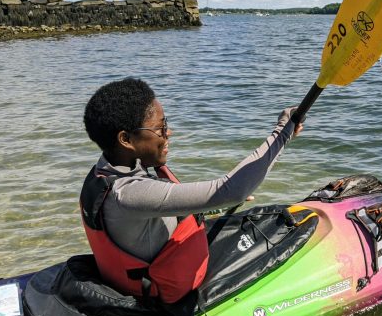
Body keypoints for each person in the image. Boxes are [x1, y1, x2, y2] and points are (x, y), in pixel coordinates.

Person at [80, 77, 303, 303]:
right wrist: (282, 133)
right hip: (161, 293)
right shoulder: (128, 193)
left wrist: (210, 208)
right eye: (160, 128)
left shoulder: (105, 171)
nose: (169, 133)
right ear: (126, 139)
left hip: (146, 268)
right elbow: (231, 190)